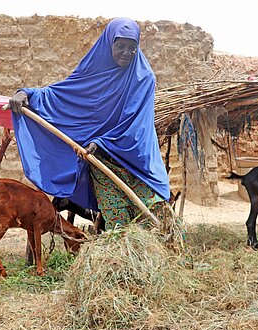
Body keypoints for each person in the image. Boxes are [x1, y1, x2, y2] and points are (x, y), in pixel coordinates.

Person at [9, 17, 177, 231]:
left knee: (156, 214)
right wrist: (28, 94)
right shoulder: (93, 71)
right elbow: (63, 93)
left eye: (132, 47)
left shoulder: (143, 78)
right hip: (102, 161)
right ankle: (124, 260)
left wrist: (102, 141)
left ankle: (166, 257)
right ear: (109, 44)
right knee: (117, 220)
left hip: (136, 159)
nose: (126, 53)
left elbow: (136, 125)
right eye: (121, 46)